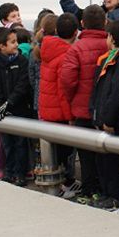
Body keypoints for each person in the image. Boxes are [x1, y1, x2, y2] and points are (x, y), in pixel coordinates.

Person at [60, 5, 109, 201]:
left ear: (82, 23)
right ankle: (107, 192)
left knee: (87, 156)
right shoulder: (109, 45)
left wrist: (73, 102)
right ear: (105, 22)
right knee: (107, 154)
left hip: (82, 110)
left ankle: (90, 191)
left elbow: (67, 80)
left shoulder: (76, 48)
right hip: (106, 110)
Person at [89, 18, 119, 210]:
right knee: (104, 161)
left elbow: (116, 93)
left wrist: (106, 119)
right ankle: (107, 193)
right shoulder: (109, 59)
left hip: (113, 122)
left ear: (112, 38)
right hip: (103, 118)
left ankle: (115, 195)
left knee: (112, 163)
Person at [0, 27, 33, 186]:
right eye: (12, 42)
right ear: (1, 46)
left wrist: (10, 102)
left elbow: (23, 85)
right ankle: (9, 172)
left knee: (20, 143)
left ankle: (20, 173)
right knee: (7, 143)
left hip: (19, 108)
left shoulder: (22, 61)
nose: (16, 45)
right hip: (2, 112)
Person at [38, 12, 80, 196]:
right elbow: (63, 91)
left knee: (54, 151)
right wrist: (70, 117)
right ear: (75, 32)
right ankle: (67, 184)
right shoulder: (65, 55)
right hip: (60, 112)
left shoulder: (47, 48)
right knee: (65, 152)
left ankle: (63, 183)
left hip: (48, 109)